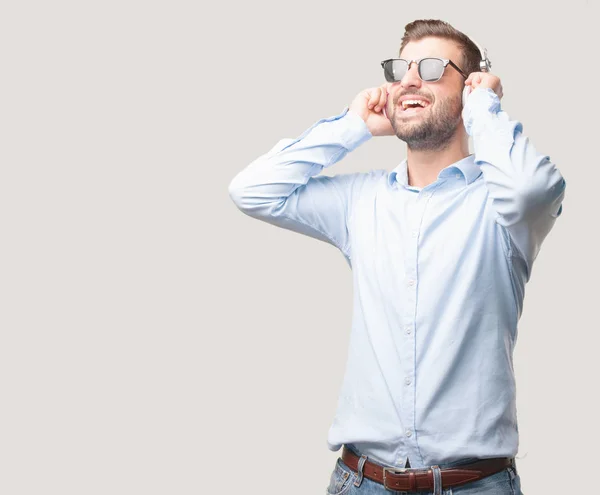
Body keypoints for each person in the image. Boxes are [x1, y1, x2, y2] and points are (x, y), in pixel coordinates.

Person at [228, 18, 565, 495]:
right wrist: (355, 126)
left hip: (475, 486)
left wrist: (484, 106)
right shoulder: (359, 201)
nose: (408, 80)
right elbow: (252, 191)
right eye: (400, 69)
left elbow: (534, 188)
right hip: (360, 481)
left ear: (467, 88)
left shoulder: (502, 205)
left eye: (430, 68)